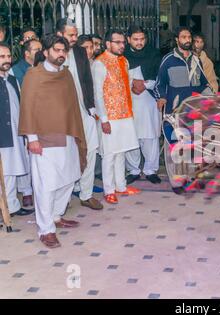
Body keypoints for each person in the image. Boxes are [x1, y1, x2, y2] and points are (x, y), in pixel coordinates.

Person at [19, 35, 87, 248]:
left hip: (67, 134)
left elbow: (73, 106)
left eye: (63, 51)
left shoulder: (66, 75)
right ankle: (46, 229)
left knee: (69, 178)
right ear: (46, 52)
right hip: (43, 139)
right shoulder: (34, 75)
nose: (60, 54)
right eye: (56, 50)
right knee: (46, 185)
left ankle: (57, 216)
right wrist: (32, 139)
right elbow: (27, 107)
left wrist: (77, 134)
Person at [155, 26, 211, 194]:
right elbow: (159, 83)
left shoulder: (196, 60)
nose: (187, 39)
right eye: (184, 37)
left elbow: (202, 84)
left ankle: (193, 178)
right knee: (175, 148)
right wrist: (162, 97)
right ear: (177, 40)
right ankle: (177, 182)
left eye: (189, 37)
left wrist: (211, 95)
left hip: (193, 111)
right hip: (174, 112)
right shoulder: (168, 60)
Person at [56, 18, 103, 211]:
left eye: (76, 34)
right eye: (71, 35)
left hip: (84, 110)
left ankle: (86, 194)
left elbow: (87, 80)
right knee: (67, 155)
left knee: (90, 150)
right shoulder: (50, 54)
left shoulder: (80, 52)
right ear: (60, 34)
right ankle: (63, 199)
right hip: (62, 115)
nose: (75, 38)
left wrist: (91, 108)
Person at [92, 29, 140, 204]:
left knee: (121, 151)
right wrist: (103, 119)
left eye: (123, 42)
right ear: (108, 44)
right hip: (109, 117)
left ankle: (121, 186)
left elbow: (126, 86)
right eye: (117, 42)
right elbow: (97, 94)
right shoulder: (99, 63)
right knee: (110, 154)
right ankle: (109, 190)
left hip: (125, 114)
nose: (122, 45)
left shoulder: (124, 61)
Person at [124, 25, 162, 185]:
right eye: (135, 39)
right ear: (128, 40)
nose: (139, 42)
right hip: (128, 101)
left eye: (142, 39)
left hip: (148, 101)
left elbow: (161, 77)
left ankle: (150, 169)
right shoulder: (122, 56)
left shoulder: (154, 54)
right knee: (131, 136)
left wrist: (145, 85)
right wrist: (132, 82)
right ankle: (133, 170)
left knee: (150, 136)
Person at [0, 42, 34, 217]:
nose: (6, 60)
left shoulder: (12, 79)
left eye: (8, 56)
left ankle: (12, 206)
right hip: (2, 136)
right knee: (4, 174)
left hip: (15, 134)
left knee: (11, 171)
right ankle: (6, 207)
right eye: (1, 57)